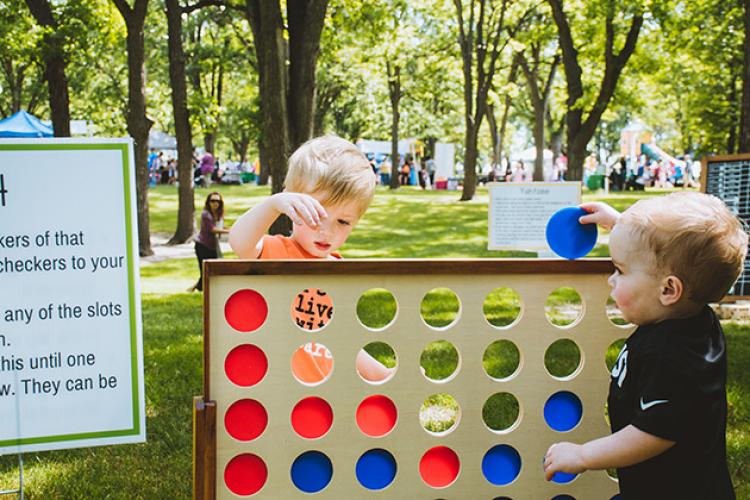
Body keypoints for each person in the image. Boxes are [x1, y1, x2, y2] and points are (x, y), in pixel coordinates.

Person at [543, 192, 747, 499]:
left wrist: (583, 455)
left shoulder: (675, 359)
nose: (611, 280)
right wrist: (622, 225)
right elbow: (669, 254)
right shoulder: (694, 320)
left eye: (621, 270)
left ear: (668, 289)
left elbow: (653, 434)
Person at [229, 135, 394, 383]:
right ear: (292, 205)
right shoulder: (277, 252)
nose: (327, 232)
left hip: (326, 389)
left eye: (343, 221)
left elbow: (343, 339)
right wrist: (273, 204)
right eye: (316, 215)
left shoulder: (338, 270)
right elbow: (240, 242)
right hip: (279, 387)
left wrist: (382, 373)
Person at [190, 192, 230, 292]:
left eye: (217, 201)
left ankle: (198, 287)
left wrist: (231, 228)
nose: (215, 203)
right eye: (212, 201)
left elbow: (219, 227)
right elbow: (213, 229)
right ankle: (200, 288)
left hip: (212, 246)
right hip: (202, 246)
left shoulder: (218, 214)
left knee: (212, 269)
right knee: (205, 270)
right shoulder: (206, 214)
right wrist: (229, 231)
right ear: (208, 202)